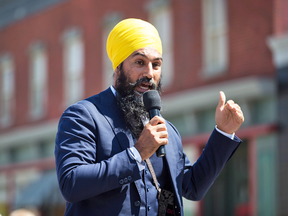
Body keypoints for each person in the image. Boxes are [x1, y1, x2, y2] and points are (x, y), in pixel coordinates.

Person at [55, 18, 244, 216]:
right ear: (117, 66)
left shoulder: (166, 129)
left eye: (156, 65)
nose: (149, 73)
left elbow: (193, 187)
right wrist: (136, 154)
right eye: (139, 62)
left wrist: (224, 132)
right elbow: (71, 183)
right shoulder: (83, 115)